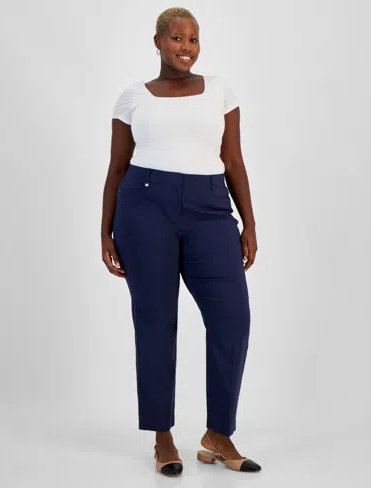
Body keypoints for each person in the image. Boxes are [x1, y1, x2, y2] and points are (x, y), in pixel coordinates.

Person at [101, 7, 260, 477]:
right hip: (144, 207)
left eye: (193, 39)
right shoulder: (132, 97)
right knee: (155, 322)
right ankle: (162, 436)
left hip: (211, 208)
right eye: (176, 38)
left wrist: (249, 223)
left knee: (232, 318)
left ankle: (218, 435)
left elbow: (233, 159)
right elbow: (117, 166)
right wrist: (105, 229)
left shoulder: (220, 90)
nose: (186, 47)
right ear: (157, 41)